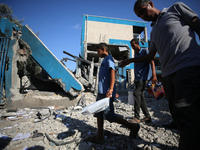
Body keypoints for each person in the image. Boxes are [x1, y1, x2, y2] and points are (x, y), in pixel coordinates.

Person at [119, 1, 200, 149]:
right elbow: (151, 57)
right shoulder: (153, 31)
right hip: (169, 75)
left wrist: (153, 75)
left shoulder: (175, 9)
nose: (142, 16)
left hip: (187, 68)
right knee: (176, 112)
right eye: (139, 15)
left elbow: (197, 24)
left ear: (150, 3)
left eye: (143, 11)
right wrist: (130, 60)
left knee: (187, 114)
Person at [87, 43, 140, 144]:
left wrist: (111, 89)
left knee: (110, 115)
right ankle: (100, 136)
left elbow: (113, 71)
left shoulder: (109, 58)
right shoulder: (104, 60)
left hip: (107, 93)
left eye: (98, 51)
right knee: (99, 113)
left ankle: (133, 126)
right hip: (101, 92)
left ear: (103, 49)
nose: (97, 54)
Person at [129, 39, 157, 124]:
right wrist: (135, 78)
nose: (132, 47)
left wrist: (154, 74)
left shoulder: (145, 51)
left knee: (136, 94)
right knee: (141, 98)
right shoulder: (136, 54)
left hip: (143, 78)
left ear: (138, 44)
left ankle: (136, 117)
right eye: (131, 46)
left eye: (133, 45)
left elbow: (152, 61)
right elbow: (137, 66)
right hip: (138, 79)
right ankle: (147, 117)